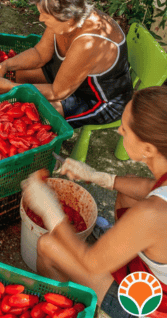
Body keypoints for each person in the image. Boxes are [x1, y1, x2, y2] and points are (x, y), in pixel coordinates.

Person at [22, 86, 167, 317]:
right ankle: (118, 248)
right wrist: (100, 177)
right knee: (128, 189)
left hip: (150, 304)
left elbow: (91, 262)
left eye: (126, 129)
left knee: (47, 246)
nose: (119, 131)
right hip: (154, 269)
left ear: (148, 148)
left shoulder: (153, 213)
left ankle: (63, 311)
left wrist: (51, 212)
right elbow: (150, 188)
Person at [0, 0, 133, 129]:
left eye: (45, 16)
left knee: (42, 113)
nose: (41, 19)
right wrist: (6, 65)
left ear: (69, 18)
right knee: (20, 74)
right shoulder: (65, 18)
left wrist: (12, 88)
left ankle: (47, 149)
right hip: (64, 79)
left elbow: (58, 93)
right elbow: (40, 54)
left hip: (97, 101)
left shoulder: (89, 42)